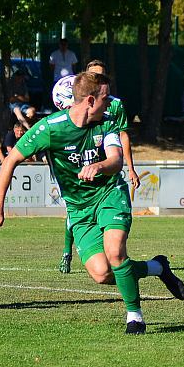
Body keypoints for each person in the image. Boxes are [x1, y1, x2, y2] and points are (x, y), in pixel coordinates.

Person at [0, 71, 184, 335]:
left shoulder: (107, 122)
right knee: (102, 273)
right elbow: (10, 159)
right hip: (79, 208)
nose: (110, 103)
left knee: (116, 252)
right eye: (106, 98)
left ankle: (135, 317)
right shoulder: (50, 128)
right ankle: (158, 267)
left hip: (110, 194)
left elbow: (116, 160)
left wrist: (100, 165)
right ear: (90, 101)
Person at [53, 60, 141, 274]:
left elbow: (122, 135)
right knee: (74, 210)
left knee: (114, 249)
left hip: (106, 171)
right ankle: (67, 251)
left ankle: (121, 263)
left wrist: (130, 166)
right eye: (92, 75)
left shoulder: (114, 105)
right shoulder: (73, 103)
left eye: (100, 76)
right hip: (79, 166)